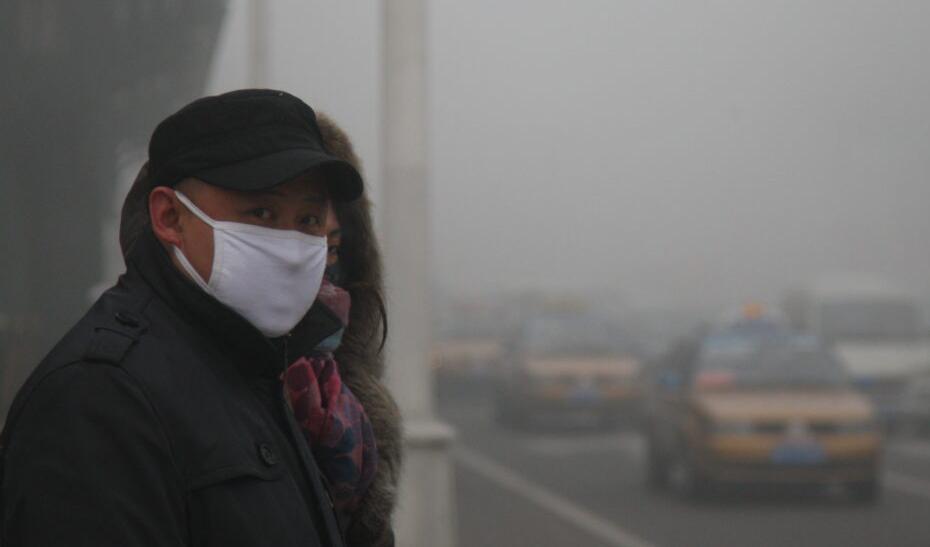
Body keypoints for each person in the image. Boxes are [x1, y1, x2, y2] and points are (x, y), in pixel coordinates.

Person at [0, 89, 393, 547]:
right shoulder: (98, 398)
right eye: (261, 212)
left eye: (308, 221)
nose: (291, 247)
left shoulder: (268, 376)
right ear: (170, 216)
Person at [118, 112, 401, 547]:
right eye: (263, 214)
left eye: (318, 234)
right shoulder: (113, 394)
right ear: (170, 218)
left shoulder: (346, 417)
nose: (300, 257)